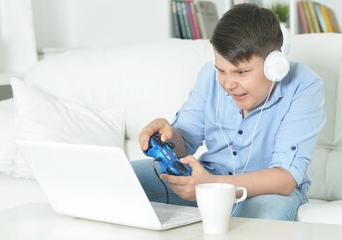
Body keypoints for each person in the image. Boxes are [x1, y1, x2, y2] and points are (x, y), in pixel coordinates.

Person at [133, 3, 325, 221]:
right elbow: (184, 141)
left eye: (241, 72)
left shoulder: (304, 86)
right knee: (126, 178)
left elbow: (285, 178)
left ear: (275, 65)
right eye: (221, 70)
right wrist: (165, 136)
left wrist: (211, 186)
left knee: (270, 212)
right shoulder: (209, 76)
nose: (228, 84)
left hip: (266, 193)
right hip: (205, 179)